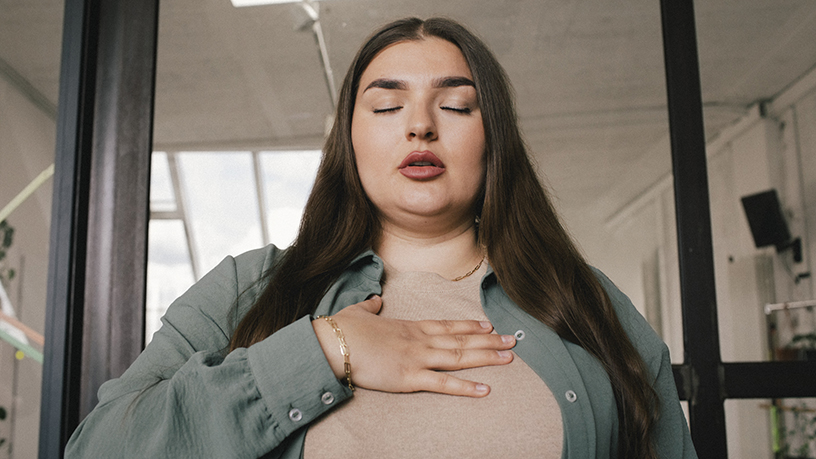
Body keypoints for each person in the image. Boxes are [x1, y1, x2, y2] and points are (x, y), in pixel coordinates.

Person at [66, 17, 697, 459]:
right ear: (350, 140)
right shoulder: (247, 289)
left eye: (455, 106)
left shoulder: (586, 303)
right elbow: (100, 448)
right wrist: (325, 348)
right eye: (387, 106)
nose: (420, 126)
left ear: (492, 138)